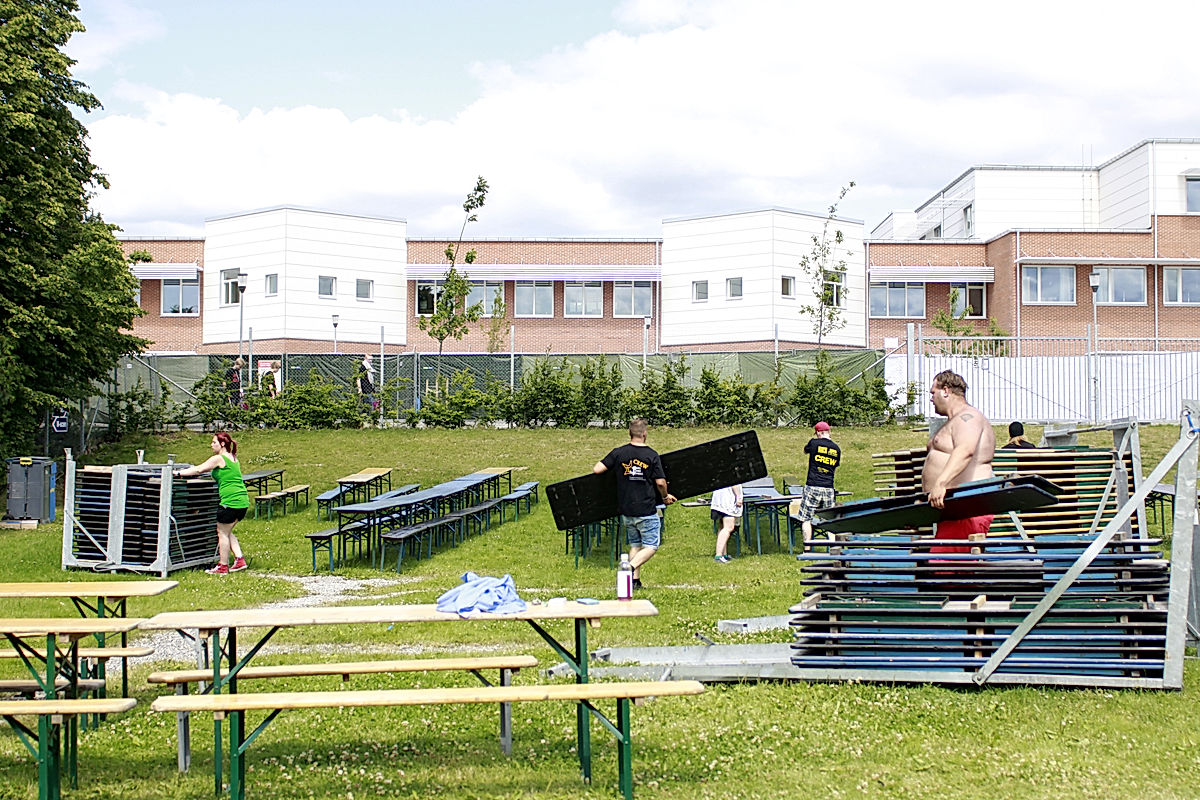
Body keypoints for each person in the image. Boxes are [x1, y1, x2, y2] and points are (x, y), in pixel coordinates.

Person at [593, 419, 676, 590]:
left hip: (627, 509)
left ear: (629, 433)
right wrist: (665, 496)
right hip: (645, 508)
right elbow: (660, 482)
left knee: (635, 545)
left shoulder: (619, 453)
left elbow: (597, 469)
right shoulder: (651, 455)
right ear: (644, 434)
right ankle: (628, 569)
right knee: (652, 546)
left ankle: (635, 582)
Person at [922, 370, 996, 553]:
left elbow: (965, 450)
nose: (931, 398)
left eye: (933, 392)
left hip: (968, 509)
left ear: (946, 390)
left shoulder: (967, 417)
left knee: (946, 572)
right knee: (946, 572)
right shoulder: (954, 421)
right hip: (955, 511)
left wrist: (941, 483)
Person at [174, 432, 250, 574]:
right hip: (242, 501)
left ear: (222, 444)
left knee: (222, 533)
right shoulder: (233, 458)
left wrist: (177, 473)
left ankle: (222, 566)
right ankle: (239, 560)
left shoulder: (219, 458)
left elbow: (198, 469)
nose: (211, 445)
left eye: (214, 442)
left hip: (230, 501)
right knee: (227, 531)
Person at [797, 421, 842, 542]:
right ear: (829, 432)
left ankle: (807, 549)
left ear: (818, 433)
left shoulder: (814, 443)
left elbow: (806, 450)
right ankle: (834, 550)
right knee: (829, 521)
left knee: (806, 519)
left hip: (812, 486)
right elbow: (835, 465)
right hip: (828, 487)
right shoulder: (837, 449)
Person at [709, 484, 742, 563]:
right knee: (729, 527)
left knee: (722, 526)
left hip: (719, 498)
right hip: (727, 500)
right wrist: (738, 496)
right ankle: (719, 555)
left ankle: (724, 555)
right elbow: (734, 482)